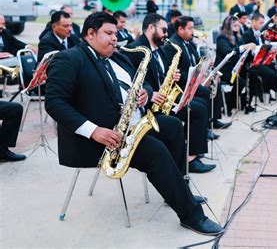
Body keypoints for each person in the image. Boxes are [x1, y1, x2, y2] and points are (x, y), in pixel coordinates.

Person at [44, 12, 223, 235]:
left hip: (134, 125)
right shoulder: (68, 59)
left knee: (173, 126)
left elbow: (146, 83)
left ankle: (178, 192)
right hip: (102, 138)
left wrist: (146, 94)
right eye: (108, 33)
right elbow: (54, 103)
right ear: (90, 34)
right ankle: (191, 215)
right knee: (156, 151)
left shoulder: (118, 56)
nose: (114, 39)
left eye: (116, 34)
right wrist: (94, 131)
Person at [124, 13, 215, 173]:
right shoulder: (135, 49)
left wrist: (173, 76)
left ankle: (192, 155)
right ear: (151, 28)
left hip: (164, 97)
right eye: (164, 30)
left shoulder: (157, 48)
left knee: (199, 106)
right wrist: (151, 94)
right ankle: (189, 160)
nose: (167, 34)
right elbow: (131, 81)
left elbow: (162, 74)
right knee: (196, 110)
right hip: (150, 104)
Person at [162, 16, 231, 130]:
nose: (193, 31)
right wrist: (196, 78)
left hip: (192, 79)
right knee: (204, 92)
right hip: (182, 84)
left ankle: (213, 120)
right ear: (180, 29)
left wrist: (206, 66)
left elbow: (197, 60)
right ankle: (205, 126)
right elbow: (176, 72)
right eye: (190, 28)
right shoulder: (172, 45)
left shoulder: (188, 42)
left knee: (216, 84)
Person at [241, 13, 277, 100]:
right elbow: (247, 53)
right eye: (261, 23)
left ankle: (270, 89)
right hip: (254, 62)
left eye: (263, 23)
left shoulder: (262, 34)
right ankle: (264, 92)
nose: (262, 25)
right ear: (253, 22)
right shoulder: (247, 34)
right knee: (271, 74)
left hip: (264, 59)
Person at [215, 15, 256, 112]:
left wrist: (252, 51)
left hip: (236, 68)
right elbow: (228, 52)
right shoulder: (222, 37)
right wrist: (244, 47)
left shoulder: (238, 36)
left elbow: (243, 53)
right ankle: (229, 105)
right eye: (234, 24)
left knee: (253, 75)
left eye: (238, 24)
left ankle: (246, 104)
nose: (237, 26)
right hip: (224, 70)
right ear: (228, 25)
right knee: (240, 82)